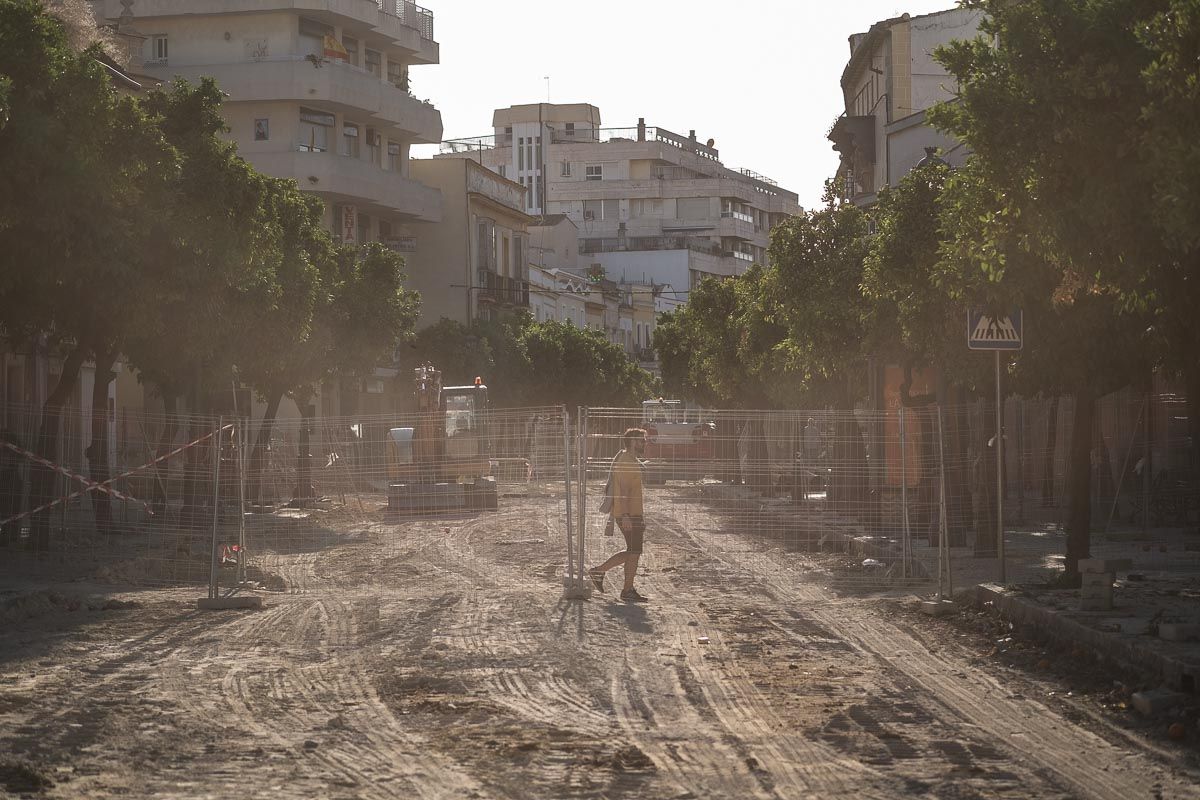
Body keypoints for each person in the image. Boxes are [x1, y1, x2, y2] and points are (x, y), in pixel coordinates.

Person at [589, 427, 648, 602]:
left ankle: (625, 588)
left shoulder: (631, 459)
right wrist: (626, 515)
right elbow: (622, 491)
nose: (644, 443)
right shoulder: (626, 461)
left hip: (632, 513)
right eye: (641, 440)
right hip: (628, 514)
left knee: (634, 551)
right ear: (632, 442)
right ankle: (602, 573)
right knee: (634, 551)